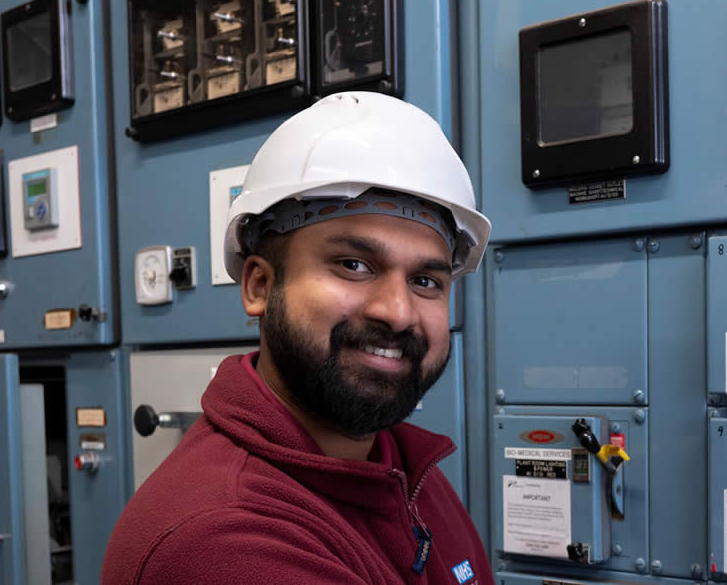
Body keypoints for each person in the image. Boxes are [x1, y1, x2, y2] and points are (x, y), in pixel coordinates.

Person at [101, 92, 492, 585]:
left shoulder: (407, 471)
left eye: (426, 281)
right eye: (353, 265)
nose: (397, 312)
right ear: (259, 285)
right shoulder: (224, 539)